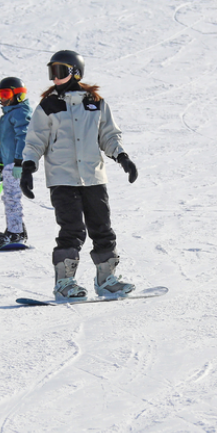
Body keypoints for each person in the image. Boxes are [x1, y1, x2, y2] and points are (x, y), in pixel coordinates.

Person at [19, 50, 140, 298]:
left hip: (93, 177)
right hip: (62, 178)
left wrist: (122, 157)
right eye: (51, 72)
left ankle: (106, 280)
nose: (54, 78)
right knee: (72, 230)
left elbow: (108, 135)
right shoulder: (48, 106)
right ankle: (64, 283)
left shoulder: (96, 103)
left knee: (102, 229)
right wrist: (29, 166)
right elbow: (35, 140)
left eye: (59, 71)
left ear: (75, 72)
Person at [0, 76, 33, 248]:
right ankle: (16, 229)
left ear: (18, 95)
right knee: (10, 197)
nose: (2, 99)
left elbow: (24, 137)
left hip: (16, 164)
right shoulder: (6, 117)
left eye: (6, 94)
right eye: (0, 94)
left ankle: (15, 233)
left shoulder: (20, 113)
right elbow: (3, 144)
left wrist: (19, 161)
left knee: (11, 198)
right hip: (9, 164)